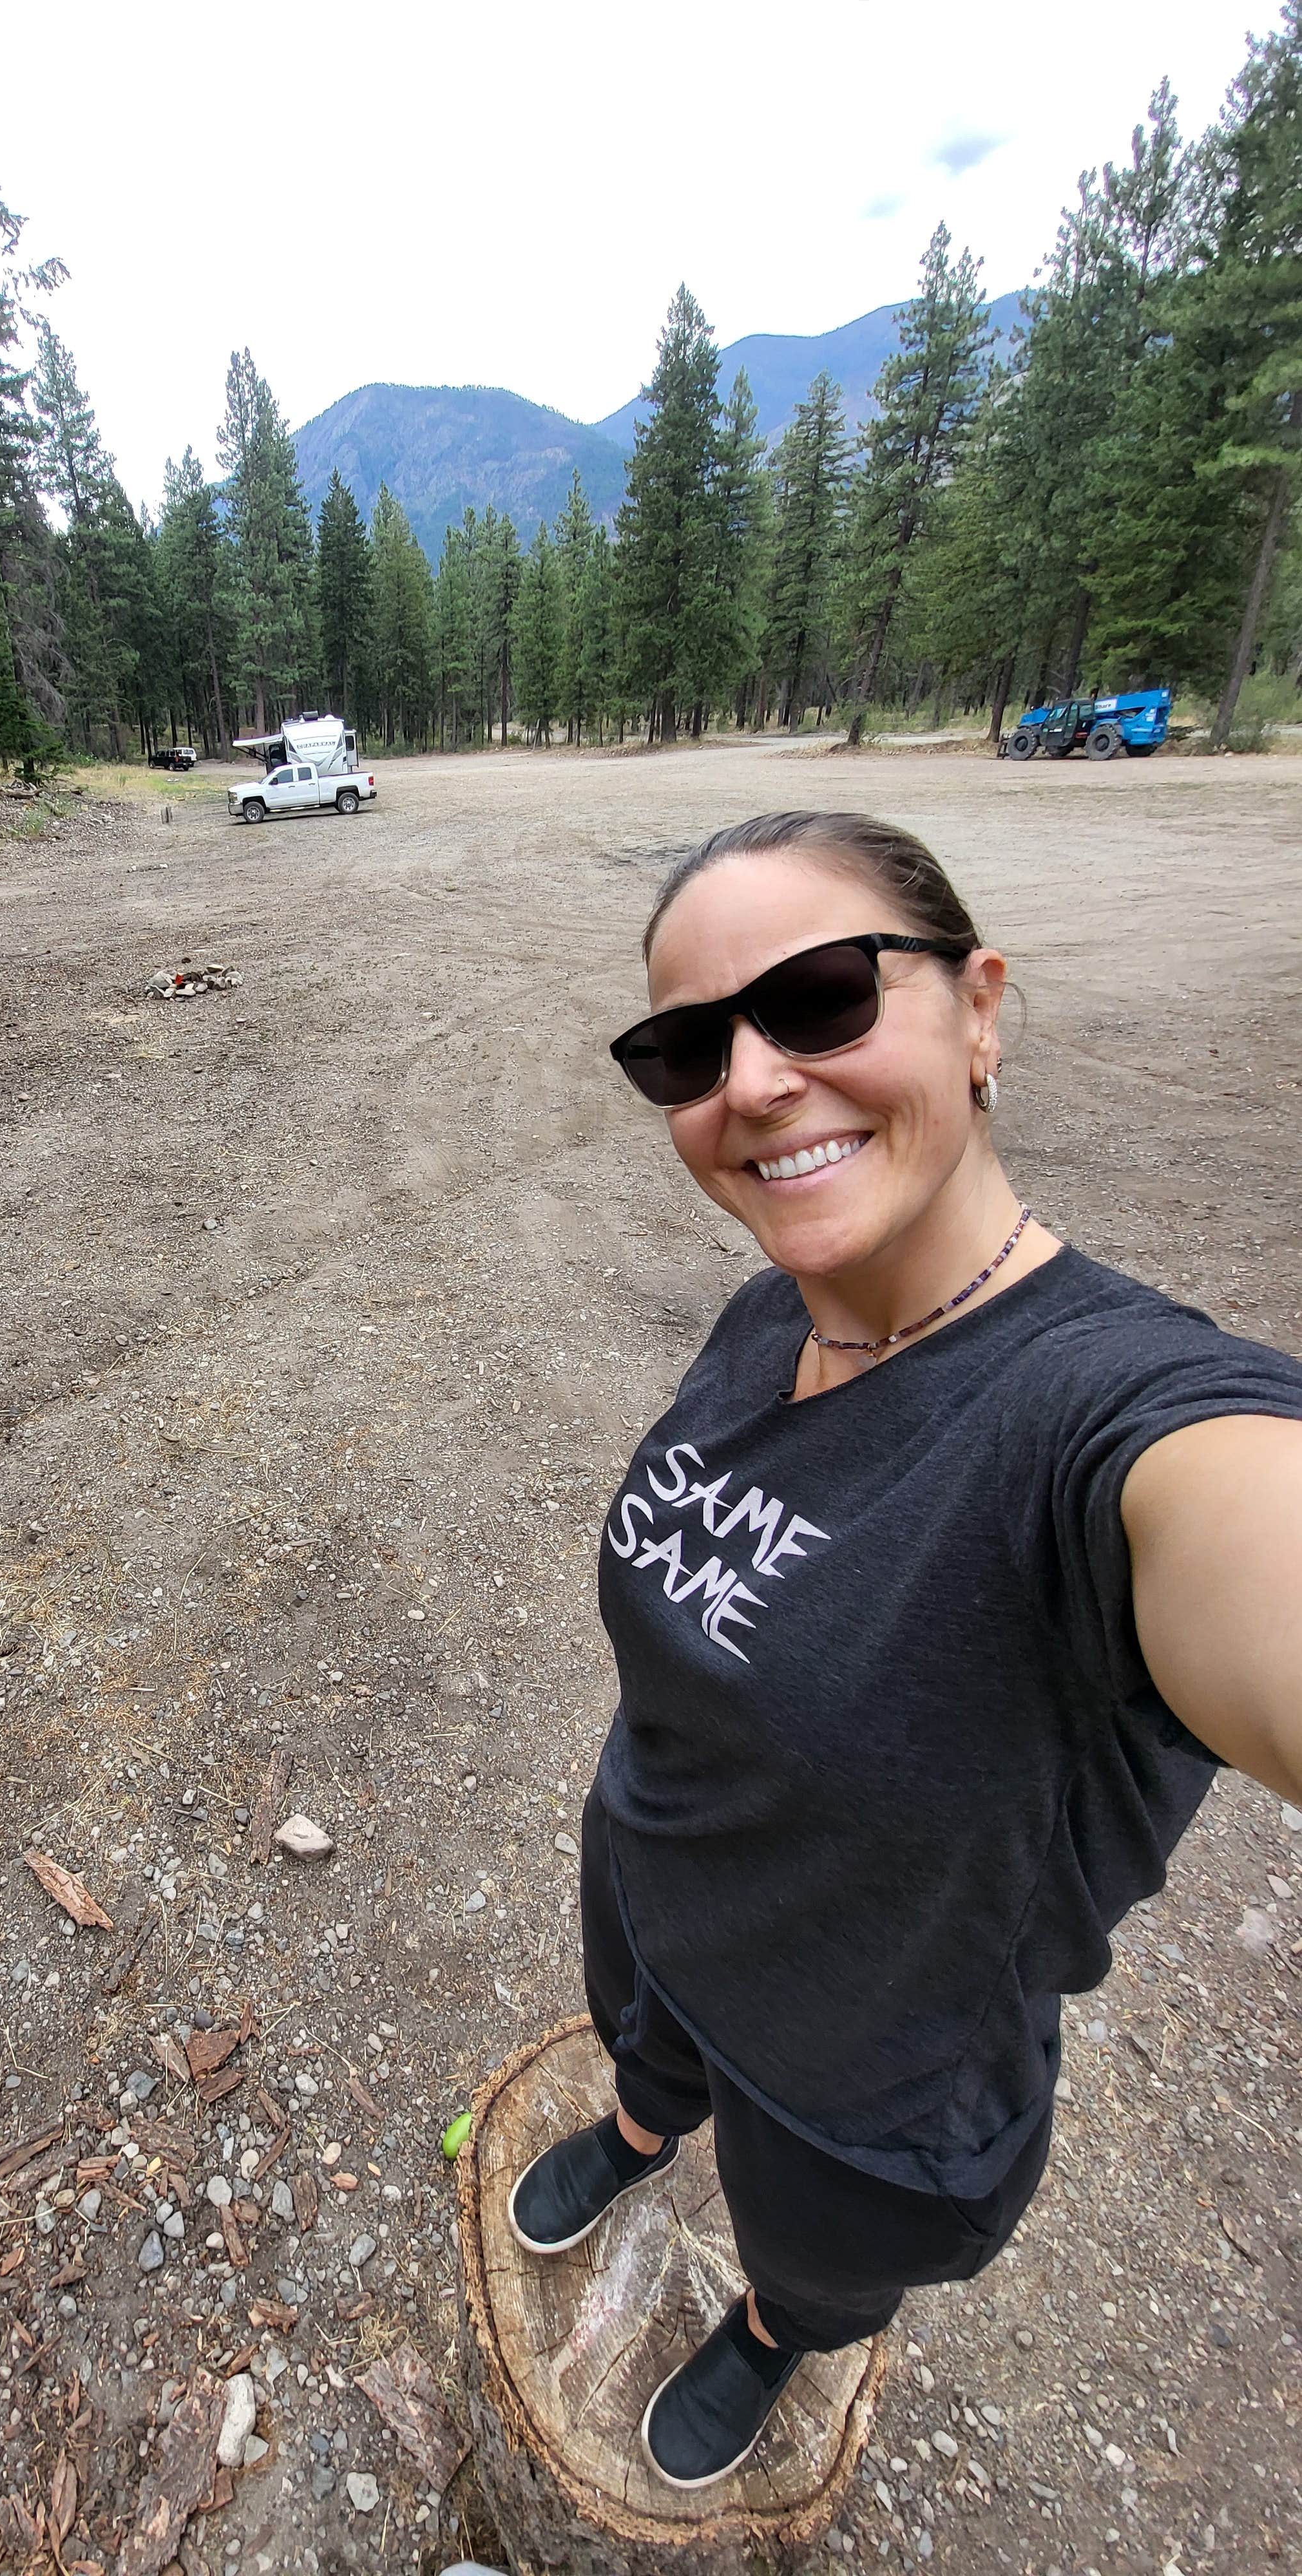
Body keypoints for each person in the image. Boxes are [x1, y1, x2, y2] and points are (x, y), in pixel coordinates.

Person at [506, 810, 1302, 2492]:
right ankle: (643, 2128)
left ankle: (778, 2335)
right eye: (687, 1048)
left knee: (817, 2256)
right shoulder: (767, 1316)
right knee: (645, 2063)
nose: (754, 1081)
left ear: (980, 1006)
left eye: (819, 998)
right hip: (660, 1891)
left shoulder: (1107, 1420)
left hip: (872, 2068)